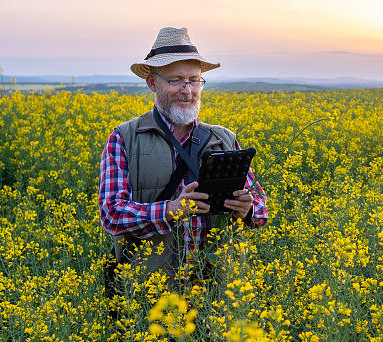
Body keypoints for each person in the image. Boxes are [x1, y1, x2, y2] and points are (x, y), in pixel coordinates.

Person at [99, 27, 267, 293]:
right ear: (152, 83)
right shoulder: (124, 138)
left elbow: (260, 208)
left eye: (194, 80)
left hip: (218, 295)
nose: (187, 90)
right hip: (152, 297)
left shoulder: (224, 138)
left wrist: (248, 208)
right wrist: (170, 210)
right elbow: (111, 214)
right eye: (176, 80)